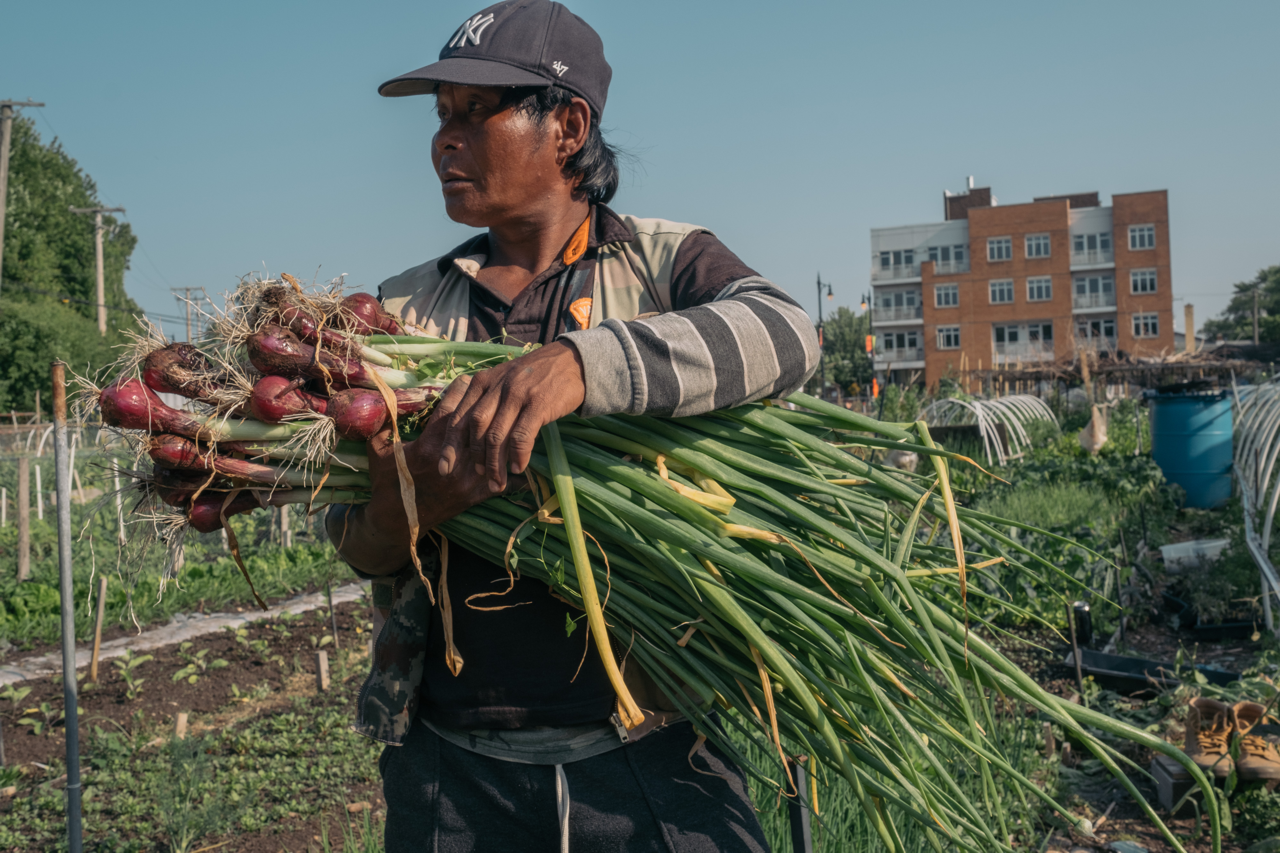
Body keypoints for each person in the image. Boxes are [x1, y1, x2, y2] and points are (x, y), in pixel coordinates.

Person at [327, 3, 819, 850]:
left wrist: (583, 365)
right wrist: (413, 508)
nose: (444, 140)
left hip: (653, 753)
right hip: (454, 768)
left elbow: (788, 333)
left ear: (568, 125)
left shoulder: (661, 263)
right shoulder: (405, 311)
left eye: (474, 112)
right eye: (441, 115)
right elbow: (355, 541)